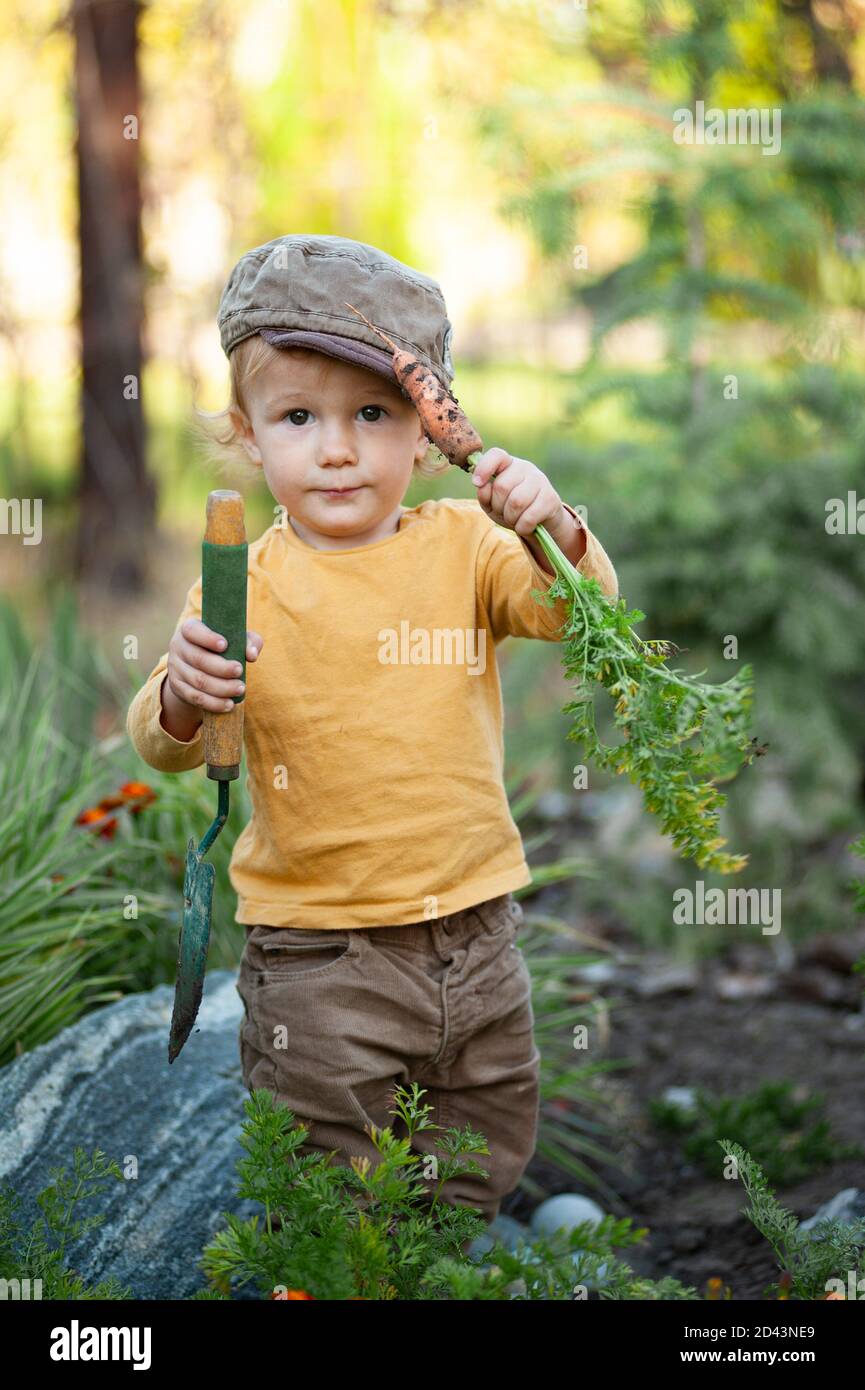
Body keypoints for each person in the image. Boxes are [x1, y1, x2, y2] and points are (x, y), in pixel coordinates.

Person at [126, 233, 619, 1230]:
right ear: (249, 434)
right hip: (322, 955)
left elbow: (579, 612)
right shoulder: (242, 578)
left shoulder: (466, 546)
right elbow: (165, 738)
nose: (339, 447)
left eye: (373, 415)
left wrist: (550, 524)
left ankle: (436, 1259)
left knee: (480, 1134)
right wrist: (184, 687)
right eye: (299, 417)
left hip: (475, 931)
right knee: (327, 1168)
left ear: (426, 433)